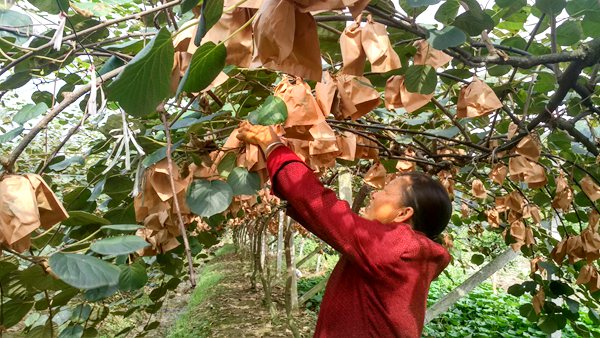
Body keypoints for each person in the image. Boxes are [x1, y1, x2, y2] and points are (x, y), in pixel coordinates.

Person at [237, 121, 452, 338]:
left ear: (403, 214)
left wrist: (272, 144)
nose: (374, 194)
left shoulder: (396, 247)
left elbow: (322, 207)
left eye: (385, 192)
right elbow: (323, 220)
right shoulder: (406, 254)